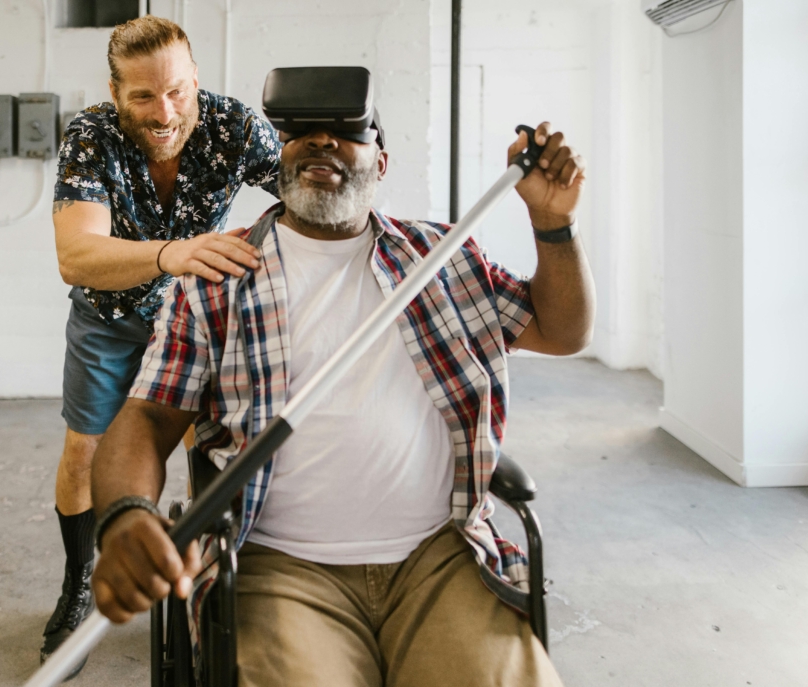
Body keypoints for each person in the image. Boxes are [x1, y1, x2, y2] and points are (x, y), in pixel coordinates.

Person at [90, 107, 594, 686]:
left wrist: (553, 224)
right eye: (299, 130)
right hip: (280, 569)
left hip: (440, 556)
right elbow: (148, 417)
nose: (321, 140)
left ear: (380, 164)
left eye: (348, 129)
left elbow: (562, 330)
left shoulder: (442, 257)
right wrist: (126, 518)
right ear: (278, 158)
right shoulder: (218, 278)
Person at [45, 15, 280, 676]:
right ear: (116, 91)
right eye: (143, 95)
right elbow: (76, 253)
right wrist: (173, 253)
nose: (164, 110)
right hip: (110, 318)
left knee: (205, 450)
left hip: (196, 320)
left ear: (196, 81)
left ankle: (205, 586)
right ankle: (78, 584)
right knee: (84, 450)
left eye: (176, 91)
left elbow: (308, 191)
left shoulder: (235, 127)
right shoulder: (91, 136)